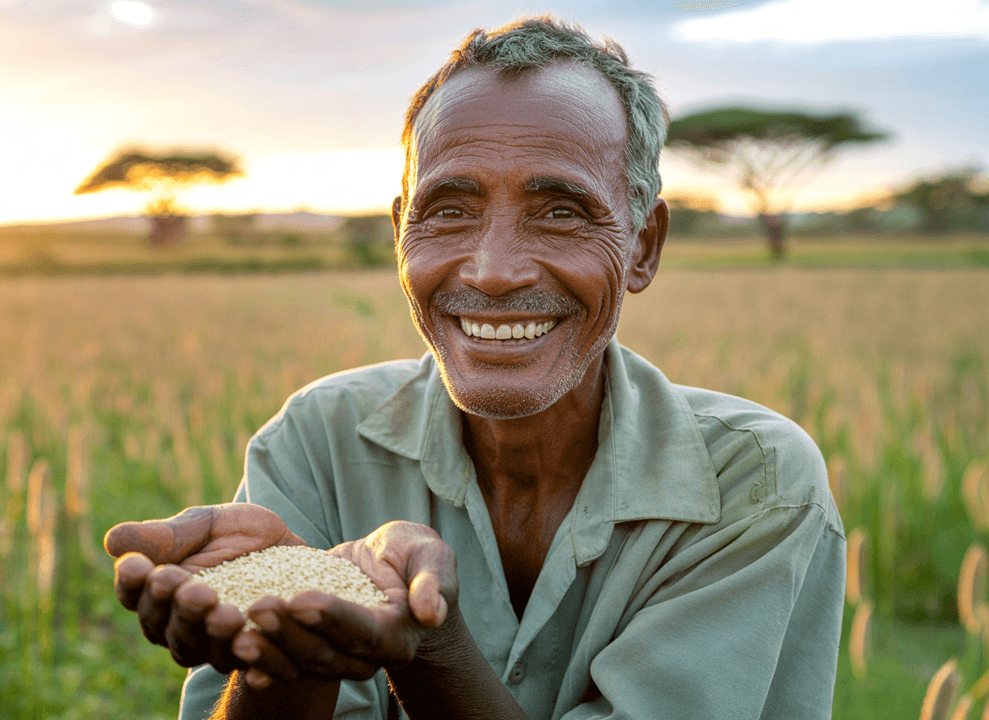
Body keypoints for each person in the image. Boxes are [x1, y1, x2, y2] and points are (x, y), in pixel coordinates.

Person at [106, 15, 846, 720]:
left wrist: (428, 644)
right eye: (449, 211)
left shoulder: (756, 482)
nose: (493, 272)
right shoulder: (319, 438)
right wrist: (284, 652)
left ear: (643, 246)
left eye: (561, 212)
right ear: (401, 234)